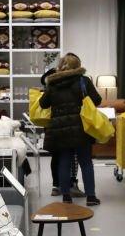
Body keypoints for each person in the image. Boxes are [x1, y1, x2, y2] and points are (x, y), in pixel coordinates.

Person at [40, 53, 102, 205]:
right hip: (81, 127)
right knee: (86, 162)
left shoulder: (53, 83)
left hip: (60, 129)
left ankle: (66, 197)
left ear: (61, 66)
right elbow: (97, 100)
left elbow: (43, 104)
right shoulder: (83, 81)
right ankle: (91, 197)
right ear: (78, 66)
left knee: (64, 162)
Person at [41, 68, 83, 198]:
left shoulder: (52, 81)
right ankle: (70, 185)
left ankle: (57, 186)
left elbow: (43, 102)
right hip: (71, 123)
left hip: (53, 123)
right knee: (70, 156)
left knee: (57, 156)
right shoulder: (74, 81)